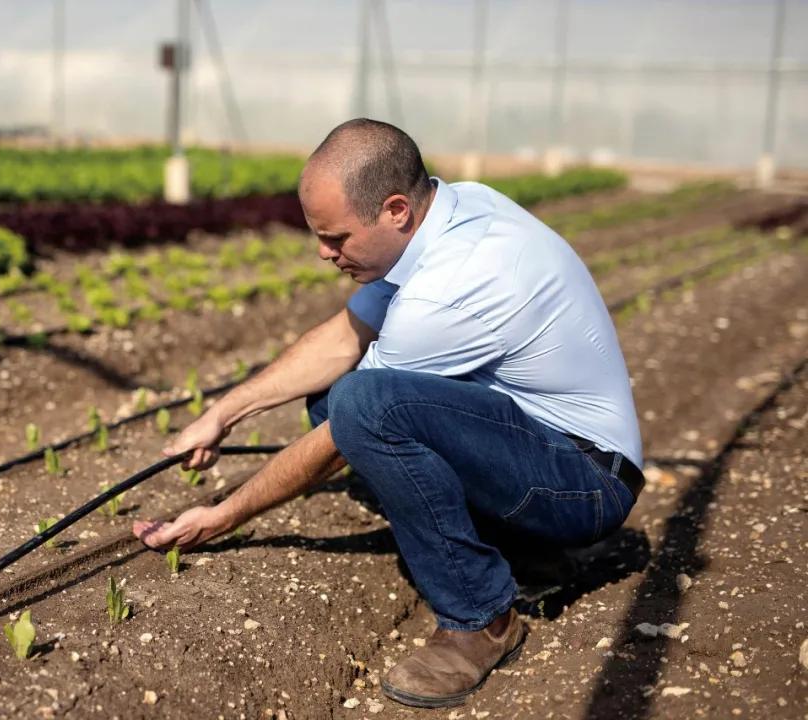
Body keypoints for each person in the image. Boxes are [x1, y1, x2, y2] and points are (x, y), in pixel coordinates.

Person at [132, 118, 644, 709]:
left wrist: (224, 515)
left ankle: (481, 618)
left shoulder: (453, 286)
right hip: (538, 446)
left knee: (357, 406)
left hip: (583, 483)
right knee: (337, 396)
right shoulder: (452, 211)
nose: (325, 253)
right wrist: (223, 413)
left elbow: (350, 427)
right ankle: (524, 554)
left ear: (396, 209)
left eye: (337, 238)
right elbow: (343, 339)